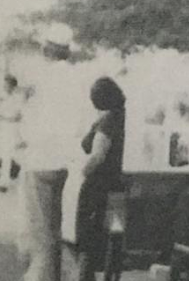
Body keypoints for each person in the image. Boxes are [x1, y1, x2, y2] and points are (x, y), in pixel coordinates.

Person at [70, 77, 126, 281]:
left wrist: (83, 171)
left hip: (98, 186)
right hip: (118, 186)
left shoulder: (107, 121)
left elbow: (98, 155)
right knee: (115, 234)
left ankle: (85, 278)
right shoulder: (123, 117)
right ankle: (111, 276)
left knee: (87, 237)